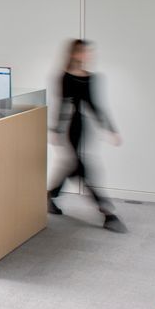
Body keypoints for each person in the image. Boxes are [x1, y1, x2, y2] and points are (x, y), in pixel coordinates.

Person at [49, 38, 126, 233]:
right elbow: (62, 105)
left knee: (73, 167)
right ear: (74, 53)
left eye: (88, 52)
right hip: (70, 129)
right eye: (84, 52)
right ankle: (106, 212)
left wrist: (110, 128)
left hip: (83, 127)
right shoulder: (64, 77)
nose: (88, 55)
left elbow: (94, 105)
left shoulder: (90, 77)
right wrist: (56, 130)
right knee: (83, 170)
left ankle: (49, 196)